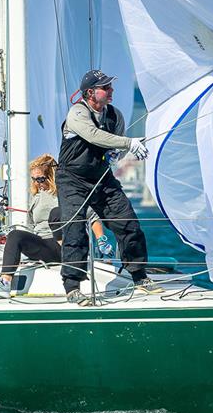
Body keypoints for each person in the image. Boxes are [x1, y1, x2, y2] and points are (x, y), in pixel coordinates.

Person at [57, 69, 159, 306]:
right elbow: (93, 135)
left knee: (128, 223)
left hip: (102, 177)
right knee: (74, 231)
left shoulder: (115, 115)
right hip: (72, 178)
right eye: (106, 87)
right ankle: (72, 287)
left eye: (110, 87)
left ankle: (139, 276)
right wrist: (129, 143)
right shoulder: (77, 113)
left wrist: (119, 151)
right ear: (91, 92)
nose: (111, 91)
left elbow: (114, 143)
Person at [0, 154, 114, 299]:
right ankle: (4, 282)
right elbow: (31, 225)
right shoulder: (36, 195)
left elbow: (92, 216)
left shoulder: (67, 193)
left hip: (67, 245)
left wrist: (101, 240)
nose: (37, 183)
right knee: (15, 235)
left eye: (41, 179)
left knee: (55, 213)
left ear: (51, 176)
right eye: (34, 179)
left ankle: (68, 258)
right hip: (44, 245)